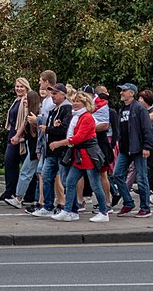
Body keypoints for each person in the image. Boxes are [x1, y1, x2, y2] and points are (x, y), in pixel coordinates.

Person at [52, 90, 109, 222]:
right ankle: (69, 211)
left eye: (78, 101)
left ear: (85, 103)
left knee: (95, 185)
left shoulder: (87, 117)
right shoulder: (78, 117)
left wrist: (60, 143)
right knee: (70, 182)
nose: (75, 104)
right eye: (74, 101)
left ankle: (103, 212)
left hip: (89, 155)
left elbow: (78, 138)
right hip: (80, 155)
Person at [111, 83, 153, 217]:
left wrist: (147, 146)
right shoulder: (122, 109)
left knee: (142, 178)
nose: (121, 93)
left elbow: (147, 128)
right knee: (117, 174)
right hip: (125, 149)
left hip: (138, 148)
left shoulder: (139, 108)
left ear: (132, 93)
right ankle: (128, 202)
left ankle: (145, 207)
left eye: (124, 91)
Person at [31, 83, 72, 217]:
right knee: (47, 177)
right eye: (52, 93)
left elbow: (64, 129)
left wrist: (48, 129)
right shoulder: (54, 109)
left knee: (66, 181)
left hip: (62, 151)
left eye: (55, 93)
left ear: (63, 94)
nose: (52, 96)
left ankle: (70, 208)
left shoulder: (67, 109)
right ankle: (47, 206)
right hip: (51, 151)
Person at [0, 78, 34, 208]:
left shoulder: (26, 101)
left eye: (21, 87)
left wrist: (19, 136)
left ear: (26, 88)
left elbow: (25, 119)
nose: (19, 89)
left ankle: (28, 195)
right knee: (9, 162)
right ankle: (10, 191)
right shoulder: (16, 100)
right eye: (17, 86)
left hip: (21, 136)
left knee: (26, 166)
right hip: (13, 133)